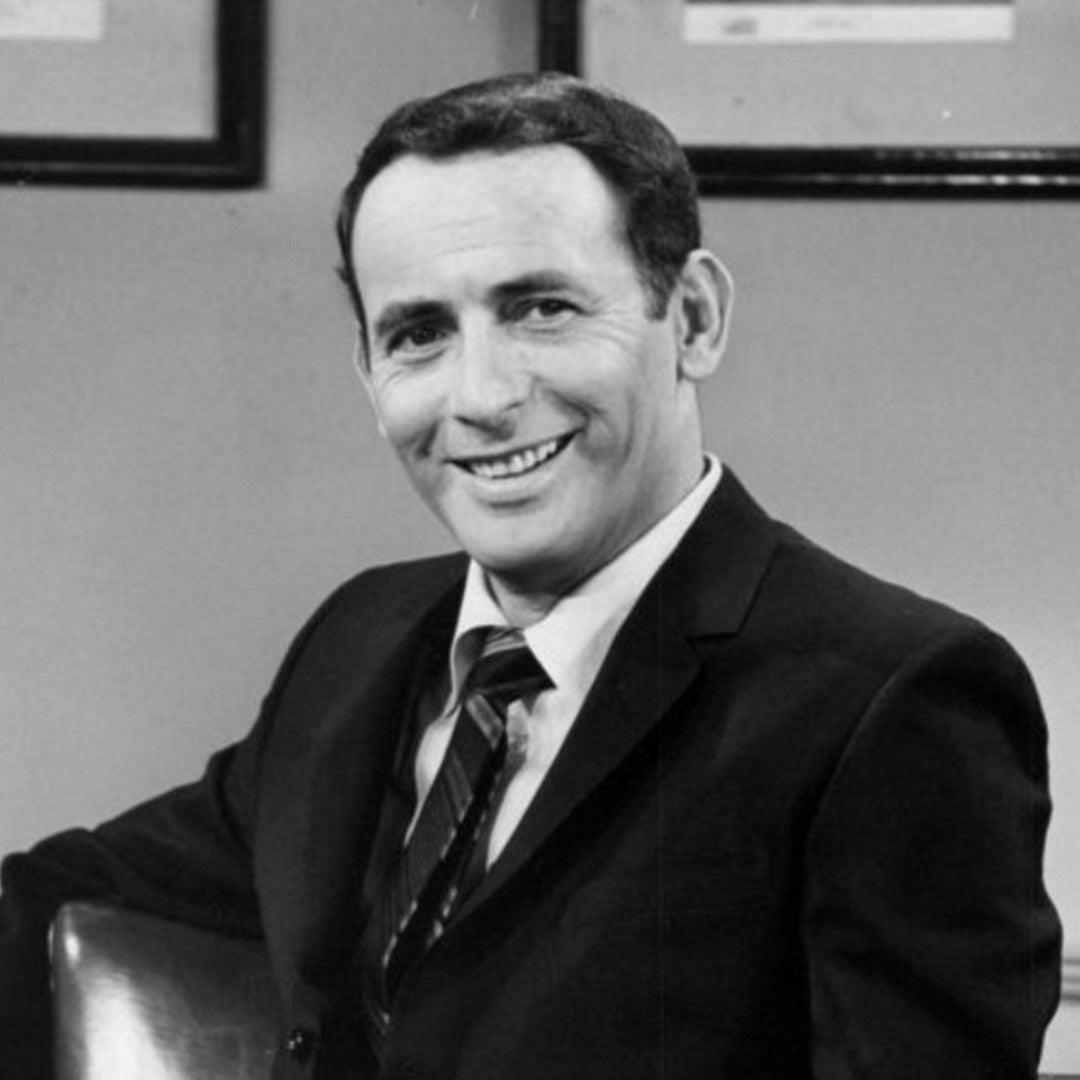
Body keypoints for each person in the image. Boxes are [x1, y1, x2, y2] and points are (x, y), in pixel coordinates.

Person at [0, 72, 1061, 1079]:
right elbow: (68, 897)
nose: (482, 394)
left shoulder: (892, 700)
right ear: (370, 376)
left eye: (541, 308)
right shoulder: (360, 637)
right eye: (419, 333)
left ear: (691, 318)